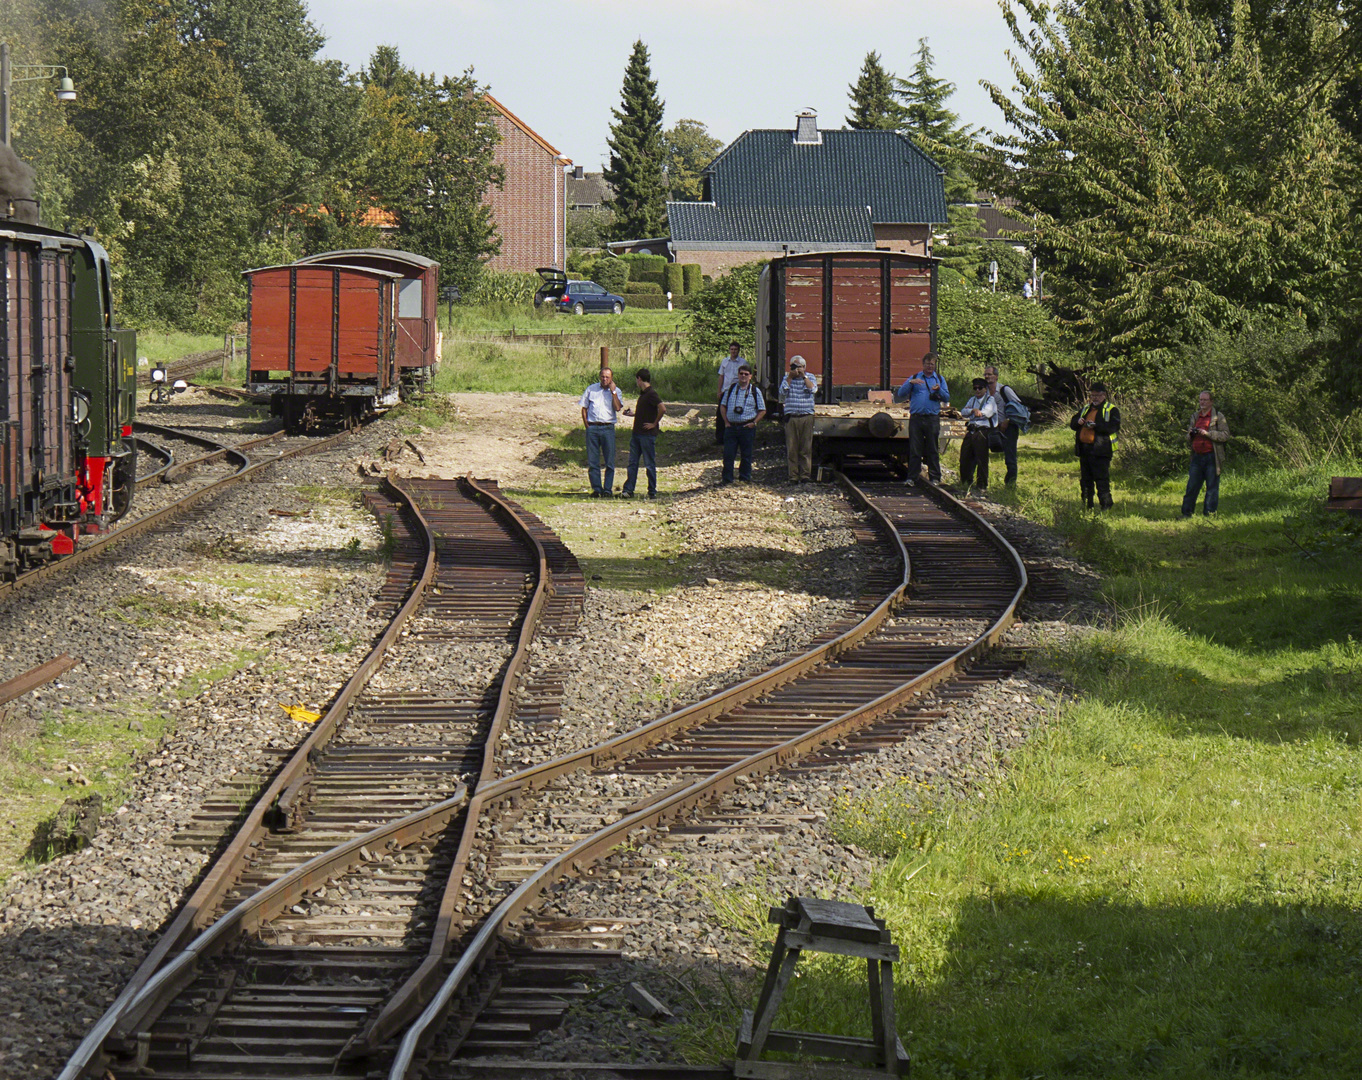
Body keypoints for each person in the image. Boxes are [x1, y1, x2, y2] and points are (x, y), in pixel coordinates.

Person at [894, 352, 949, 486]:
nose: (930, 366)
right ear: (923, 364)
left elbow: (947, 398)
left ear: (934, 365)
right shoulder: (915, 377)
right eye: (927, 364)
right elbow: (900, 394)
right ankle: (912, 478)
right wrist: (910, 383)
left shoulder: (939, 379)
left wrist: (939, 390)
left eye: (932, 364)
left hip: (932, 419)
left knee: (932, 449)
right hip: (916, 419)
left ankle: (935, 478)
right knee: (915, 449)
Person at [1069, 381, 1120, 510]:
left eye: (1097, 395)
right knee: (1086, 480)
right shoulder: (1086, 408)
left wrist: (1096, 426)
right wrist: (1078, 421)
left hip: (1101, 451)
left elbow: (1114, 427)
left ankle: (1106, 505)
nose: (1095, 398)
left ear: (1104, 395)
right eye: (1092, 395)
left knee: (1101, 479)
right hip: (1085, 450)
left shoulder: (1111, 409)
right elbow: (1073, 424)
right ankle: (1087, 505)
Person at [1182, 389, 1229, 518]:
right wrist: (1191, 434)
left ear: (1211, 402)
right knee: (1192, 487)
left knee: (1212, 488)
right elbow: (1187, 436)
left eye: (1205, 400)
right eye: (1200, 400)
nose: (1202, 402)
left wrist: (1207, 434)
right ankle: (1186, 513)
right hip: (1197, 456)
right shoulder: (1195, 416)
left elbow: (1225, 435)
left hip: (1212, 456)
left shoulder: (1218, 417)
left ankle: (1210, 515)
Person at [579, 367, 624, 497]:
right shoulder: (591, 389)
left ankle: (607, 489)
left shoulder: (616, 391)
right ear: (600, 377)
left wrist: (613, 392)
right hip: (593, 427)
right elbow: (584, 408)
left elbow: (617, 408)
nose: (605, 379)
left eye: (607, 377)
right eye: (603, 376)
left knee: (609, 461)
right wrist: (587, 425)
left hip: (608, 428)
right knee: (593, 461)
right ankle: (597, 489)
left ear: (611, 378)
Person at [621, 368, 666, 499]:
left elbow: (662, 408)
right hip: (637, 433)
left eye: (637, 379)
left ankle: (652, 491)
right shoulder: (644, 394)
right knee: (633, 463)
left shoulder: (651, 393)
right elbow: (647, 410)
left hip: (646, 435)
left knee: (649, 464)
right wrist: (633, 414)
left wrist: (654, 423)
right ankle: (629, 490)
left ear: (639, 379)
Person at [719, 363, 766, 484]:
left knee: (746, 455)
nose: (743, 376)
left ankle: (744, 479)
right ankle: (727, 480)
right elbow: (722, 406)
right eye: (741, 374)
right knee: (728, 455)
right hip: (731, 427)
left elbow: (762, 410)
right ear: (738, 375)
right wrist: (726, 422)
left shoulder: (755, 391)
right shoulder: (731, 389)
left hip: (747, 427)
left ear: (750, 376)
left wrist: (754, 423)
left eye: (746, 374)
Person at [778, 354, 818, 483]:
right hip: (792, 417)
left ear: (804, 367)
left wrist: (804, 376)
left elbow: (813, 390)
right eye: (793, 366)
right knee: (792, 448)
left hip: (806, 416)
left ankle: (805, 475)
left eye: (799, 367)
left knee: (806, 448)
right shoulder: (787, 378)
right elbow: (782, 393)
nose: (796, 369)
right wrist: (790, 377)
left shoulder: (810, 377)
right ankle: (793, 476)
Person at [983, 365, 1023, 486]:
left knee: (1010, 456)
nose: (987, 377)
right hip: (993, 427)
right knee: (982, 451)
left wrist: (1008, 420)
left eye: (989, 374)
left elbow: (1019, 406)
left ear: (996, 376)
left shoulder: (1004, 390)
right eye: (985, 374)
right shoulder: (985, 392)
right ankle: (982, 482)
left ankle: (1010, 484)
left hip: (1009, 427)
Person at [958, 377, 998, 493]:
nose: (977, 390)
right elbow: (963, 412)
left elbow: (987, 413)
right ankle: (966, 482)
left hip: (982, 431)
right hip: (971, 431)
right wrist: (972, 411)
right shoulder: (972, 399)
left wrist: (976, 412)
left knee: (981, 459)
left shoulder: (990, 400)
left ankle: (982, 485)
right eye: (975, 388)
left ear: (985, 389)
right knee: (964, 457)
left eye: (980, 388)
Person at [716, 341, 745, 445]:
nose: (733, 351)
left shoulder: (743, 363)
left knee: (736, 414)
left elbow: (745, 377)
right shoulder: (725, 362)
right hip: (725, 390)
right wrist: (719, 391)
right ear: (729, 350)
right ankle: (719, 438)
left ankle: (736, 438)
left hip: (737, 391)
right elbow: (721, 377)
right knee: (720, 414)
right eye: (732, 349)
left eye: (735, 349)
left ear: (738, 351)